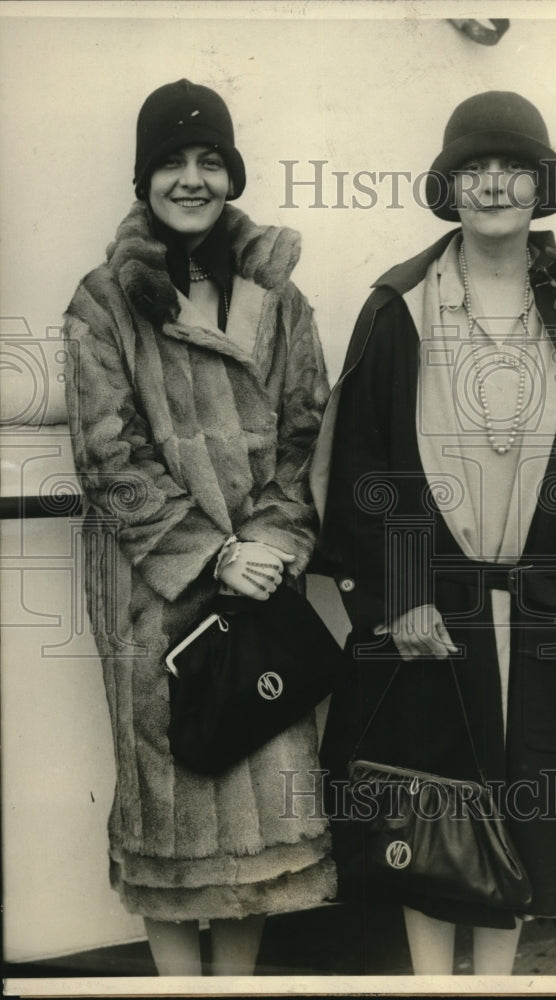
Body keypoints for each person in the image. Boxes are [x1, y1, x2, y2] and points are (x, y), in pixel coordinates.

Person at [311, 91, 556, 975]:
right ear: (450, 187)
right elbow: (367, 466)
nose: (494, 185)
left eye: (512, 167)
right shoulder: (400, 307)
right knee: (432, 810)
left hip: (543, 610)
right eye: (475, 169)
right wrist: (402, 594)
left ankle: (493, 989)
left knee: (522, 815)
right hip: (433, 609)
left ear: (541, 185)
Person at [63, 79, 334, 976]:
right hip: (160, 596)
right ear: (144, 180)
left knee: (264, 827)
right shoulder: (105, 301)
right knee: (170, 824)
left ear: (232, 172)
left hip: (263, 588)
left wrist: (271, 546)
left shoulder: (280, 300)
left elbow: (309, 433)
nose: (191, 180)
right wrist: (213, 554)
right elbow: (108, 454)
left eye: (209, 160)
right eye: (172, 163)